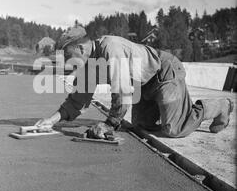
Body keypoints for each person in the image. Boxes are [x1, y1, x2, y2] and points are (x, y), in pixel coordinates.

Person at [35, 24, 234, 139]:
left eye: (68, 57)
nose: (69, 63)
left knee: (173, 129)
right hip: (144, 85)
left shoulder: (110, 48)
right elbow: (77, 100)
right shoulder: (90, 65)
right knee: (142, 126)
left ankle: (219, 106)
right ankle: (170, 108)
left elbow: (121, 92)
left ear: (80, 49)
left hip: (164, 72)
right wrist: (50, 121)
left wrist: (110, 124)